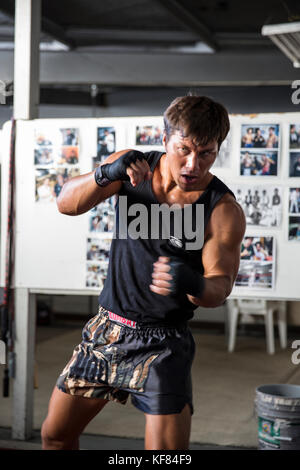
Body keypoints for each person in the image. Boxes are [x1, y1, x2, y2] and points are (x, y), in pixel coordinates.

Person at [41, 95, 246, 451]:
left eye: (207, 153)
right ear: (163, 137)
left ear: (218, 150)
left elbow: (220, 286)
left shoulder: (222, 209)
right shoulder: (132, 167)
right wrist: (106, 174)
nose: (192, 164)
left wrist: (194, 282)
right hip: (108, 330)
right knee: (55, 437)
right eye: (184, 149)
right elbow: (65, 203)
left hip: (164, 343)